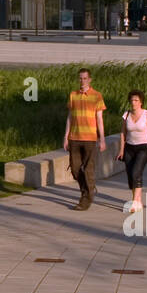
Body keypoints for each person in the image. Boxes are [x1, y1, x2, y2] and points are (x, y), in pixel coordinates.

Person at [62, 69, 106, 211]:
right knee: (75, 169)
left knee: (88, 169)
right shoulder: (73, 95)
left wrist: (102, 139)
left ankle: (86, 199)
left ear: (90, 79)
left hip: (90, 138)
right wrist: (66, 137)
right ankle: (89, 189)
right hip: (74, 137)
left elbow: (99, 119)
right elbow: (70, 117)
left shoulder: (97, 96)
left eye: (85, 78)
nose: (82, 81)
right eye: (80, 78)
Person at [118, 90, 147, 211]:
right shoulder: (126, 115)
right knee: (130, 175)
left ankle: (135, 202)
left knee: (136, 172)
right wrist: (121, 150)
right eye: (131, 100)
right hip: (129, 147)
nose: (133, 103)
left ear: (141, 102)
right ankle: (138, 200)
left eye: (136, 100)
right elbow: (123, 133)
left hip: (144, 147)